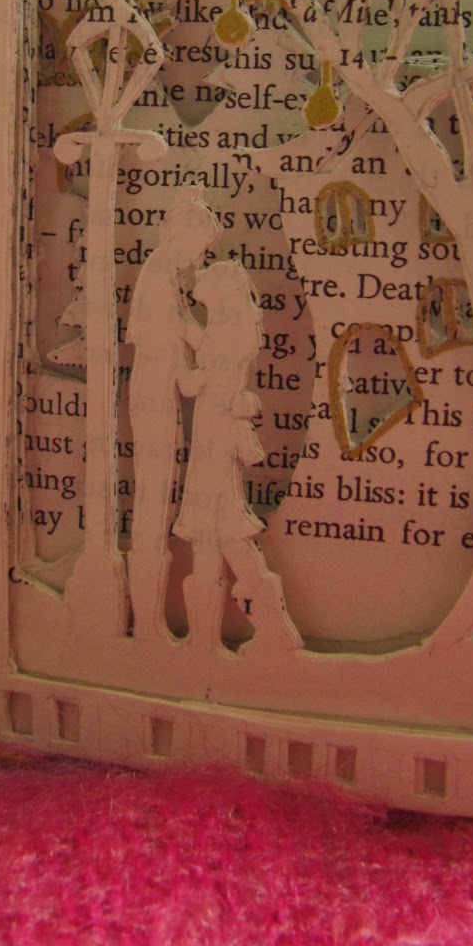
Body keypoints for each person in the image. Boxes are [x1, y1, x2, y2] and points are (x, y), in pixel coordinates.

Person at [173, 259, 302, 655]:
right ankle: (204, 638)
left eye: (206, 283)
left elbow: (191, 383)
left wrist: (175, 356)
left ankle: (270, 632)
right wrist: (179, 320)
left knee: (222, 532)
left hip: (216, 445)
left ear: (221, 295)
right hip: (214, 442)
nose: (199, 284)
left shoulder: (225, 342)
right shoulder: (227, 335)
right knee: (211, 537)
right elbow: (198, 340)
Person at [125, 187, 218, 642]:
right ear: (177, 236)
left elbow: (182, 328)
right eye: (197, 249)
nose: (198, 260)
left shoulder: (163, 274)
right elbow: (170, 339)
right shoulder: (159, 276)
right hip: (154, 394)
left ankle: (149, 619)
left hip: (158, 391)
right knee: (154, 498)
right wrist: (199, 368)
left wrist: (208, 345)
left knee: (158, 496)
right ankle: (146, 621)